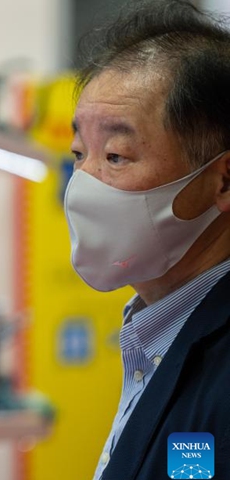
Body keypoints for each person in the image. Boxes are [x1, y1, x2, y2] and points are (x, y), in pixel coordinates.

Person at [67, 1, 230, 478]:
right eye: (79, 153)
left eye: (115, 156)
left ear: (223, 181)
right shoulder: (153, 336)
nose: (83, 185)